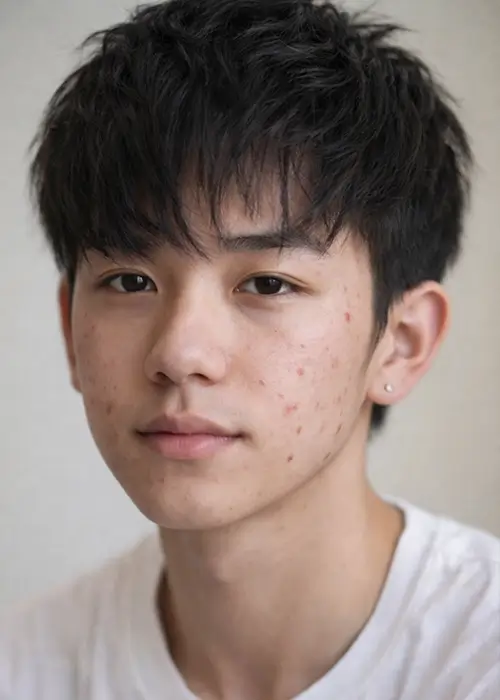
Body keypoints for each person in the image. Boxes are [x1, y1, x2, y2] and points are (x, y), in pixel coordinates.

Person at [1, 0, 499, 698]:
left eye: (268, 283)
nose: (180, 352)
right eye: (131, 281)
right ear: (69, 330)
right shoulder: (25, 667)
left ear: (401, 343)